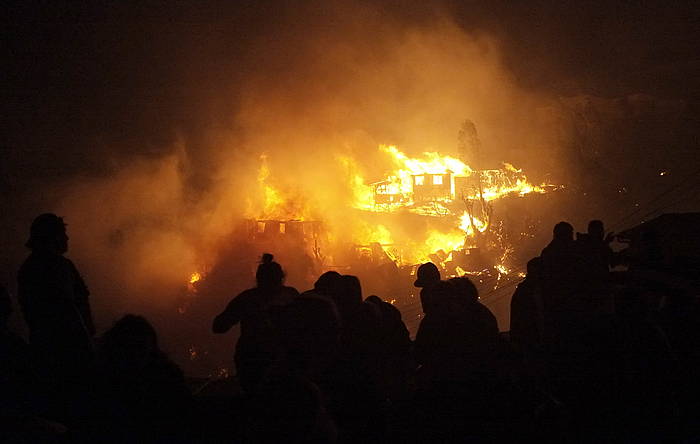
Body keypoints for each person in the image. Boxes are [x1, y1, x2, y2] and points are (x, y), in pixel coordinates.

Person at [17, 213, 95, 414]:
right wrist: (87, 346)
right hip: (68, 354)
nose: (67, 238)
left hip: (42, 349)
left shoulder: (28, 267)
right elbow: (67, 308)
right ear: (52, 236)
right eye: (63, 233)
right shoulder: (57, 266)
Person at [212, 253, 298, 393]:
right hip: (281, 359)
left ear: (258, 278)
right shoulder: (291, 295)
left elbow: (219, 326)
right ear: (281, 278)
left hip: (253, 358)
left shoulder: (248, 298)